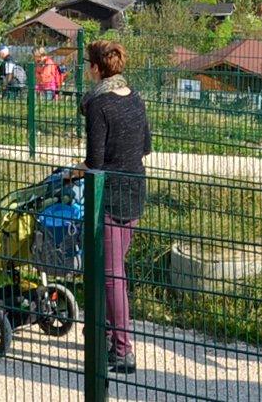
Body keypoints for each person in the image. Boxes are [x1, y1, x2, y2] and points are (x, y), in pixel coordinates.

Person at [78, 39, 151, 376]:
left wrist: (75, 171)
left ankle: (122, 349)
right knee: (115, 269)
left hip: (109, 196)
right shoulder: (135, 98)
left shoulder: (98, 105)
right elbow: (145, 146)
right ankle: (106, 335)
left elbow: (94, 161)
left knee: (111, 277)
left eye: (87, 63)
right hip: (136, 190)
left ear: (95, 68)